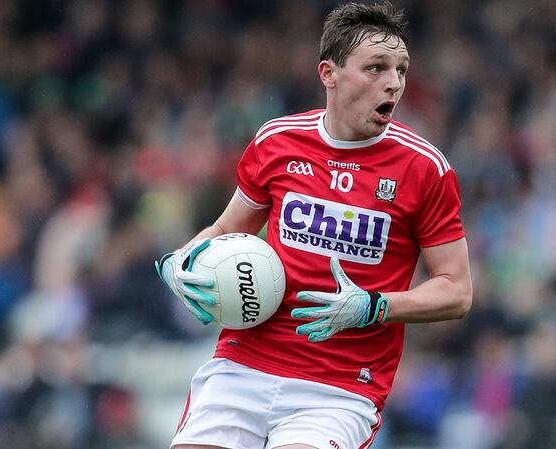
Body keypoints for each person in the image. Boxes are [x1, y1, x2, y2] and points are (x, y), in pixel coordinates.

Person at [156, 2, 473, 449]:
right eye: (376, 68)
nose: (394, 82)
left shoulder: (424, 168)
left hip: (338, 389)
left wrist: (373, 306)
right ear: (329, 73)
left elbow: (457, 290)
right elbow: (225, 230)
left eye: (401, 69)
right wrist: (178, 262)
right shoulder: (277, 141)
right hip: (243, 366)